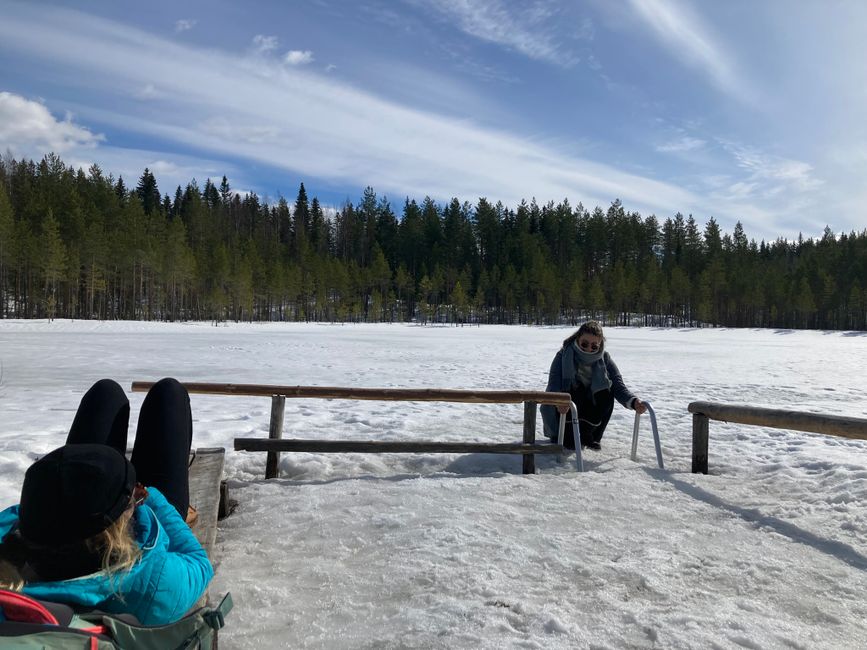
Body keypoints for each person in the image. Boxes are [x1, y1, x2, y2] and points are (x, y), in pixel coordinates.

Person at [0, 378, 213, 625]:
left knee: (106, 392)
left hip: (46, 548)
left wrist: (51, 501)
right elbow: (198, 562)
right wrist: (150, 496)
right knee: (169, 393)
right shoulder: (154, 582)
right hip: (148, 533)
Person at [541, 321, 646, 451]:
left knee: (606, 391)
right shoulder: (563, 355)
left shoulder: (605, 358)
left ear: (600, 344)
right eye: (584, 344)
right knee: (575, 389)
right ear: (578, 339)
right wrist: (558, 402)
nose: (589, 348)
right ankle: (567, 435)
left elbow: (618, 386)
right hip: (565, 411)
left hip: (591, 415)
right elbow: (553, 385)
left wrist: (634, 402)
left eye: (594, 346)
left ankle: (588, 434)